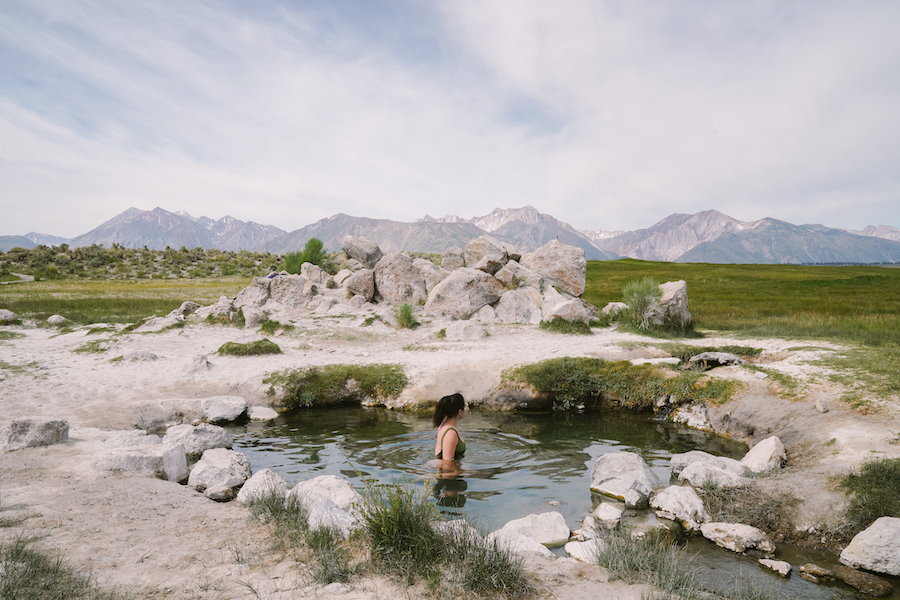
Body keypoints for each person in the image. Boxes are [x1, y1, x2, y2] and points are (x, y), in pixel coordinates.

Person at [433, 393, 466, 461]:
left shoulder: (444, 425)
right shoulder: (450, 433)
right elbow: (447, 462)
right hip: (449, 470)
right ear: (460, 411)